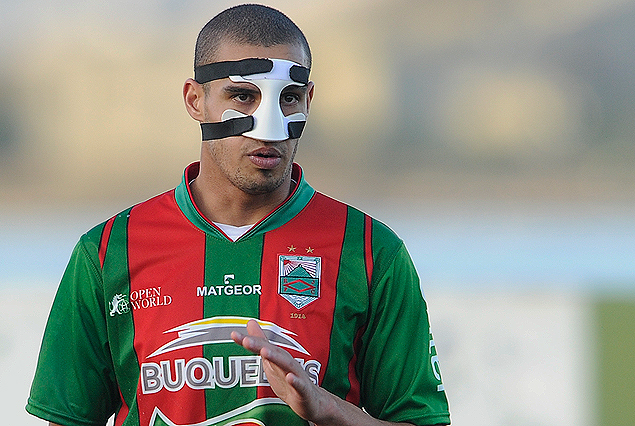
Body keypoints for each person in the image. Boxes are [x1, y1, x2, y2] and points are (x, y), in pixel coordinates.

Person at [26, 4, 451, 426]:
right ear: (195, 100)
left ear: (309, 100)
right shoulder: (107, 252)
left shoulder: (370, 251)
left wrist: (329, 410)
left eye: (289, 98)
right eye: (243, 96)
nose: (269, 127)